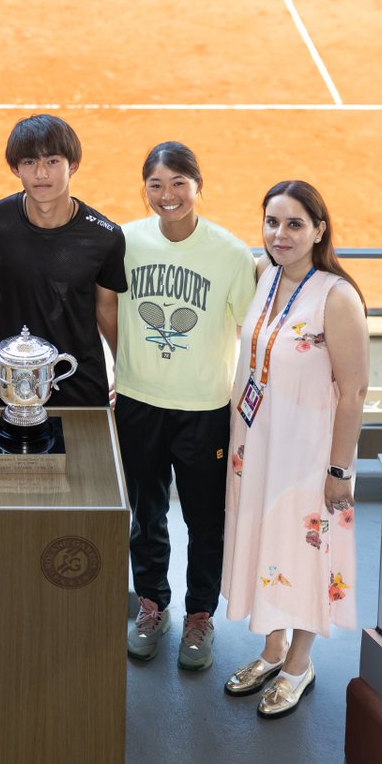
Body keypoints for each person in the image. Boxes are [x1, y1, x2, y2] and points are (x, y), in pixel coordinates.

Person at [221, 180, 368, 718]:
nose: (280, 234)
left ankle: (298, 665)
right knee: (270, 544)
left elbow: (353, 392)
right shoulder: (263, 274)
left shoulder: (338, 296)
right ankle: (272, 648)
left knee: (306, 551)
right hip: (258, 446)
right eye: (272, 223)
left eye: (295, 224)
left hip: (307, 453)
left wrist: (338, 469)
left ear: (319, 230)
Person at [115, 141, 257, 671]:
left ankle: (201, 615)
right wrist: (123, 366)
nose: (167, 195)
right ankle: (152, 605)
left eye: (178, 183)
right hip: (138, 400)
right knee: (145, 514)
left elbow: (252, 330)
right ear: (145, 188)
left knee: (204, 519)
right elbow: (109, 308)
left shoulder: (230, 254)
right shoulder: (126, 242)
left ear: (199, 185)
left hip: (204, 408)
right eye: (156, 184)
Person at [0, 114, 125, 406]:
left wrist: (125, 371)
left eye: (53, 161)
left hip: (81, 389)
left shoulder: (105, 237)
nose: (41, 174)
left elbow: (107, 311)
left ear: (73, 165)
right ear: (15, 168)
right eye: (30, 162)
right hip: (8, 387)